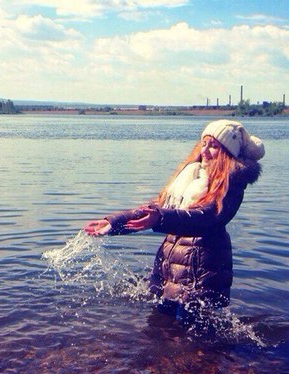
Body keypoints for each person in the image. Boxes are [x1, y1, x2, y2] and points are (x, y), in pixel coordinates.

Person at [83, 119, 265, 326]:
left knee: (191, 335)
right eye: (203, 143)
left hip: (201, 273)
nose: (205, 151)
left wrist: (161, 218)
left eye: (213, 146)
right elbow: (157, 207)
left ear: (227, 153)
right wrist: (113, 223)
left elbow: (207, 217)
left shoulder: (232, 183)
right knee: (160, 328)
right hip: (171, 270)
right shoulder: (192, 176)